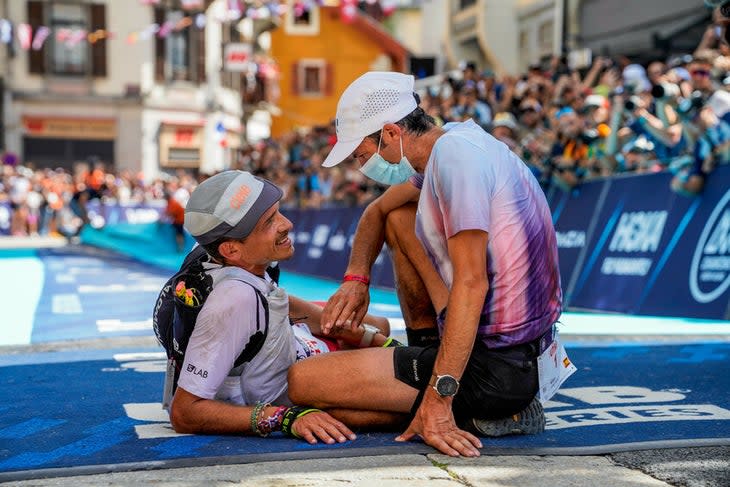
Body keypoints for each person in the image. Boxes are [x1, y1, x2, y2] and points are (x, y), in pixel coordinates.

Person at [286, 72, 563, 457]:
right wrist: (356, 279)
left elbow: (472, 285)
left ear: (391, 133)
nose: (361, 166)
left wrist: (440, 398)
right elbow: (376, 212)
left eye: (362, 155)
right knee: (400, 217)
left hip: (498, 367)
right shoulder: (450, 144)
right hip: (509, 351)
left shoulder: (455, 160)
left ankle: (473, 403)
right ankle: (430, 361)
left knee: (303, 384)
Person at [168, 170, 393, 443]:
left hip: (298, 349)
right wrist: (283, 418)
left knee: (378, 325)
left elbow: (282, 307)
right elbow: (184, 413)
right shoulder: (233, 298)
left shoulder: (225, 259)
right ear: (231, 250)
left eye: (278, 212)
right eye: (269, 222)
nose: (287, 224)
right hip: (303, 382)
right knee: (405, 387)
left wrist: (372, 337)